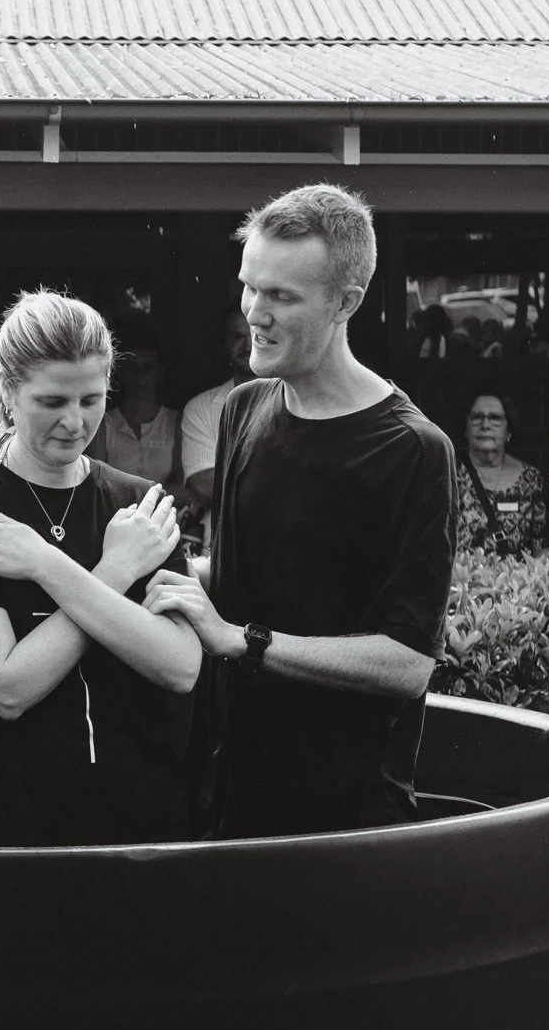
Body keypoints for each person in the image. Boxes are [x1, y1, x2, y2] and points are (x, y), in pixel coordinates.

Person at [143, 184, 457, 837]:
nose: (253, 313)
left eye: (281, 295)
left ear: (347, 302)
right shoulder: (243, 409)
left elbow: (407, 664)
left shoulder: (414, 449)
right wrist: (141, 570)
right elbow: (242, 575)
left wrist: (245, 641)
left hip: (344, 824)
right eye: (248, 286)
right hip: (224, 799)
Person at [0, 289, 202, 847]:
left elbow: (180, 666)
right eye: (52, 402)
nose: (75, 422)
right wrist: (114, 571)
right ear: (8, 390)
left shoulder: (139, 505)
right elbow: (6, 688)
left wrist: (45, 565)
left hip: (136, 819)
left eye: (92, 399)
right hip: (4, 822)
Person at [178, 305, 253, 542]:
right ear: (225, 344)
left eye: (255, 335)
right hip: (221, 544)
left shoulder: (296, 400)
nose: (248, 345)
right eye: (238, 336)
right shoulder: (201, 407)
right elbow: (202, 485)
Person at [88, 331, 185, 493]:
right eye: (132, 368)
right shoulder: (104, 423)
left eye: (148, 367)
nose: (140, 376)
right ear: (120, 374)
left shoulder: (175, 421)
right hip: (115, 514)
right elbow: (96, 484)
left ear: (160, 372)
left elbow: (185, 487)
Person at [456, 390, 546, 559]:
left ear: (509, 431)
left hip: (515, 583)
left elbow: (544, 543)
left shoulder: (530, 479)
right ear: (466, 429)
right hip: (462, 581)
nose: (485, 425)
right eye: (477, 417)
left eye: (495, 418)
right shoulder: (450, 476)